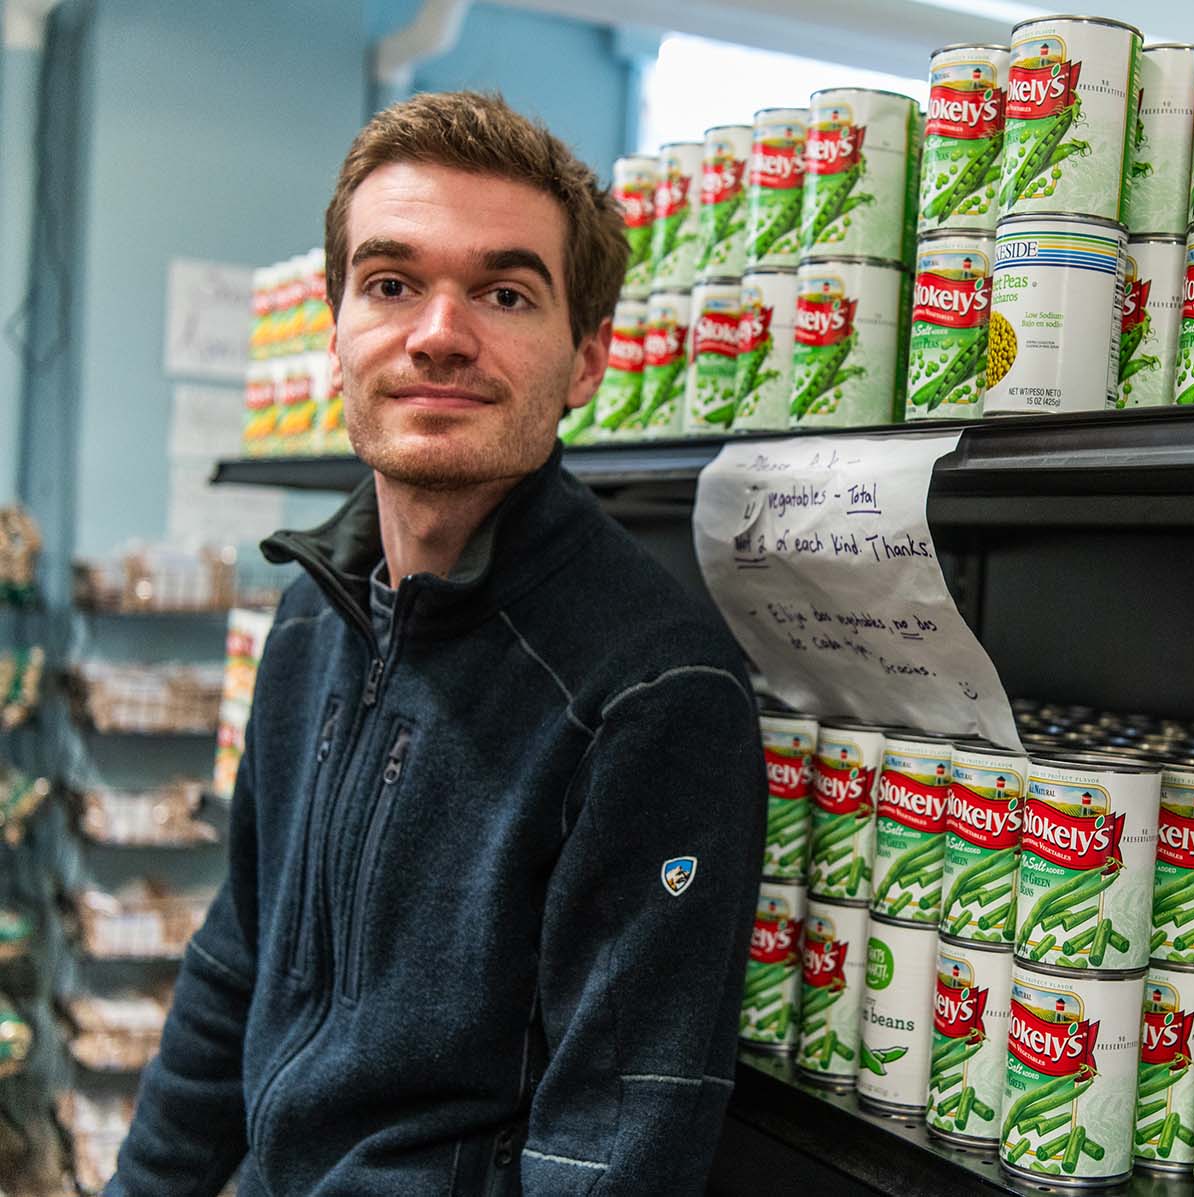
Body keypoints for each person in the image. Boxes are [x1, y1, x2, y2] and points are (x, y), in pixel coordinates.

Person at [107, 91, 765, 1195]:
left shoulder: (653, 690)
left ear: (588, 359)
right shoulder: (314, 608)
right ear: (337, 334)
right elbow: (236, 965)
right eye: (392, 283)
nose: (439, 333)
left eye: (504, 292)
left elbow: (611, 1147)